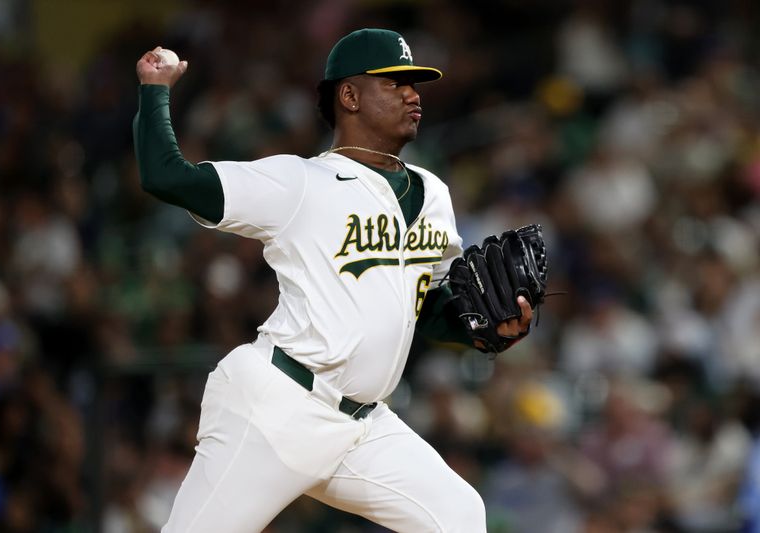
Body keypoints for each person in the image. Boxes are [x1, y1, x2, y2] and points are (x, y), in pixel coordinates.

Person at [133, 28, 533, 532]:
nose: (413, 94)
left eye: (415, 84)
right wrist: (155, 88)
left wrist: (488, 331)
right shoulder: (299, 182)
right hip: (278, 405)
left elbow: (425, 309)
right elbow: (166, 176)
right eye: (394, 83)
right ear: (349, 96)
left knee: (458, 515)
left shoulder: (434, 194)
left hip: (363, 427)